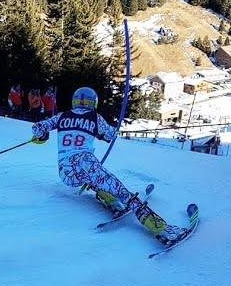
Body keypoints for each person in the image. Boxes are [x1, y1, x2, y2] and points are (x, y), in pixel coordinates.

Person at [30, 86, 190, 246]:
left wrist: (42, 135)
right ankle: (163, 230)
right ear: (93, 102)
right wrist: (116, 127)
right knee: (121, 192)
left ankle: (111, 201)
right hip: (85, 163)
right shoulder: (94, 117)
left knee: (94, 181)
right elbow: (110, 135)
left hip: (65, 173)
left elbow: (37, 127)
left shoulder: (61, 116)